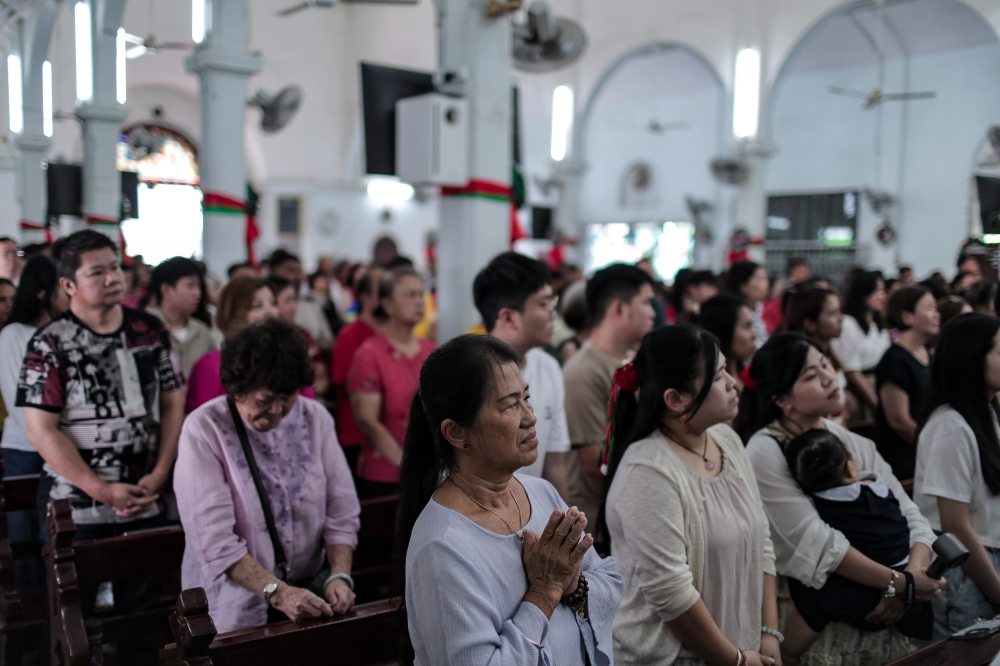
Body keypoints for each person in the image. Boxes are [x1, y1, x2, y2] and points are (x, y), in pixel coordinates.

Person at [395, 333, 624, 665]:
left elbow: (610, 581)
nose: (530, 417)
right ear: (457, 432)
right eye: (509, 405)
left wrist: (573, 584)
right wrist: (543, 593)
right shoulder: (442, 548)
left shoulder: (540, 492)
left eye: (527, 398)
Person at [17, 230, 184, 665]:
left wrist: (160, 471)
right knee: (78, 618)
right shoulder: (49, 343)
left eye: (116, 267)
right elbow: (41, 431)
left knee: (144, 611)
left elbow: (172, 402)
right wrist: (101, 489)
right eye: (98, 271)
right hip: (77, 505)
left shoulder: (150, 330)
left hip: (145, 492)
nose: (114, 278)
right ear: (68, 285)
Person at [742, 333, 940, 666]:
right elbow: (817, 542)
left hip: (885, 609)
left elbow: (910, 514)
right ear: (783, 399)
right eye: (811, 376)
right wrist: (900, 583)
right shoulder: (765, 450)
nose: (829, 377)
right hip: (820, 621)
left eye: (825, 365)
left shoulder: (849, 441)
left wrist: (911, 578)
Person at [601, 325, 780, 666]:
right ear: (675, 399)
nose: (733, 383)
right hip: (677, 658)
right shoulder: (648, 471)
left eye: (727, 370)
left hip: (741, 648)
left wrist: (770, 633)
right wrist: (738, 660)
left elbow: (763, 542)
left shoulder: (725, 439)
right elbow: (672, 594)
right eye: (717, 377)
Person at [175, 319, 360, 633]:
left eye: (286, 399)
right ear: (237, 387)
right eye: (263, 400)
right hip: (235, 608)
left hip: (308, 595)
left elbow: (341, 510)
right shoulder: (204, 429)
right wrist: (279, 593)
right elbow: (214, 540)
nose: (276, 411)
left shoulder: (314, 418)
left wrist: (339, 575)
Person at [779, 429, 934, 664]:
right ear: (851, 469)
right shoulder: (878, 490)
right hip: (897, 587)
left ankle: (788, 653)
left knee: (811, 594)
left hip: (866, 598)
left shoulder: (821, 508)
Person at [914, 313, 1000, 638]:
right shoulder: (950, 426)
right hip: (968, 572)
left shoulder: (987, 412)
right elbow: (955, 526)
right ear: (973, 361)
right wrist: (996, 590)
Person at [473, 252, 571, 500]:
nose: (553, 315)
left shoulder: (549, 366)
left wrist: (571, 528)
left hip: (533, 512)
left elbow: (554, 464)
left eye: (553, 303)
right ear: (508, 317)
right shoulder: (470, 372)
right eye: (543, 304)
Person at [563, 263, 655, 525]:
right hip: (602, 525)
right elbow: (595, 463)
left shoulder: (631, 359)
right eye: (646, 303)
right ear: (620, 308)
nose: (652, 313)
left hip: (630, 510)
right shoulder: (583, 372)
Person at [0, 256, 68, 589]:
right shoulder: (14, 334)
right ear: (43, 292)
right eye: (62, 285)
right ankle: (34, 616)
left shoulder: (64, 330)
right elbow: (20, 400)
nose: (70, 292)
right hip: (25, 449)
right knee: (27, 539)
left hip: (60, 444)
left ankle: (60, 616)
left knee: (59, 537)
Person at [348, 267, 435, 498]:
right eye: (410, 295)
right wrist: (406, 464)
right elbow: (367, 420)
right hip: (386, 476)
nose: (419, 302)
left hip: (430, 472)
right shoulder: (369, 354)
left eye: (421, 294)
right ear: (387, 305)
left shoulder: (431, 351)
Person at [185, 276, 281, 413]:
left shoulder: (288, 359)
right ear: (232, 313)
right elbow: (200, 423)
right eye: (257, 306)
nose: (271, 312)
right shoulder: (210, 366)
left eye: (272, 303)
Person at [874, 286, 939, 479]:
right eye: (929, 308)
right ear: (907, 317)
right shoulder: (895, 359)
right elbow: (899, 421)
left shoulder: (929, 356)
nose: (937, 315)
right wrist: (935, 450)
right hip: (904, 456)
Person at [330, 268, 381, 474]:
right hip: (357, 436)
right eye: (382, 292)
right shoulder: (349, 335)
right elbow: (344, 383)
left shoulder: (392, 336)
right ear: (365, 298)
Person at [783, 287, 853, 422]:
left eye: (839, 311)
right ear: (809, 324)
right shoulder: (800, 365)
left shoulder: (829, 355)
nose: (840, 318)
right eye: (832, 313)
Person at [147, 257, 217, 382]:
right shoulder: (145, 331)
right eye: (190, 286)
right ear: (166, 290)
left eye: (199, 286)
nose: (197, 293)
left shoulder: (202, 332)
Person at [831, 272, 889, 410]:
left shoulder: (877, 325)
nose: (882, 296)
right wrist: (876, 404)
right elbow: (852, 372)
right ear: (863, 292)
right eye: (877, 290)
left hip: (881, 384)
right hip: (863, 390)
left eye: (883, 290)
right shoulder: (848, 324)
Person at [268, 275, 330, 399]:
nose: (294, 307)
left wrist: (322, 382)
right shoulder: (266, 341)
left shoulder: (303, 334)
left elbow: (320, 373)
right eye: (287, 301)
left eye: (294, 300)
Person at [269, 249, 333, 351]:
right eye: (290, 270)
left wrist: (316, 345)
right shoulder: (268, 308)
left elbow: (328, 341)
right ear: (274, 272)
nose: (297, 276)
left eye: (299, 271)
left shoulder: (312, 306)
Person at [697, 293, 756, 392]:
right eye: (747, 326)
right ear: (724, 329)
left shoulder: (749, 375)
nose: (754, 335)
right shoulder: (716, 388)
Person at [724, 260, 771, 347]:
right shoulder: (732, 315)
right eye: (761, 279)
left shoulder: (759, 309)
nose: (767, 283)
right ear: (744, 285)